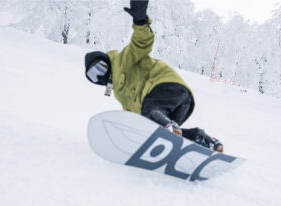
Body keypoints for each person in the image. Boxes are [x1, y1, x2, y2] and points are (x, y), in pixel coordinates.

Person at [83, 1, 222, 151]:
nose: (100, 75)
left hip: (166, 87)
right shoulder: (119, 93)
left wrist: (140, 20)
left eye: (100, 67)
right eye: (93, 75)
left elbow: (142, 42)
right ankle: (202, 139)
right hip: (182, 103)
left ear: (106, 60)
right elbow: (136, 118)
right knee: (151, 129)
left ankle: (168, 126)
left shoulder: (121, 60)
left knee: (151, 113)